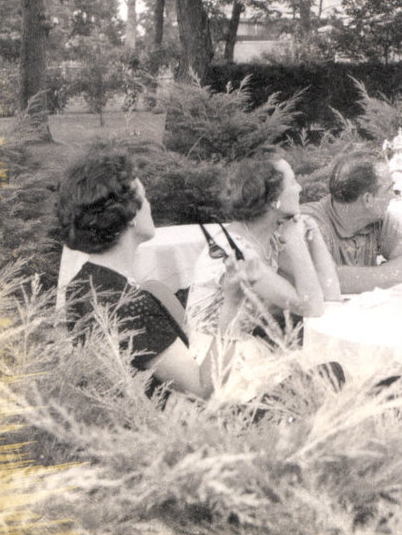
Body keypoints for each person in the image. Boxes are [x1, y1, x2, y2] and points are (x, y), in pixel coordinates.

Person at [58, 151, 245, 400]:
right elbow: (203, 388)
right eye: (144, 198)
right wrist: (232, 305)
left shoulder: (82, 282)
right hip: (166, 430)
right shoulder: (130, 305)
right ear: (129, 214)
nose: (150, 205)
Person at [188, 148, 340, 346]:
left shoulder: (271, 239)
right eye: (293, 182)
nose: (299, 189)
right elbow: (310, 307)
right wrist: (296, 240)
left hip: (243, 346)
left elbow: (330, 295)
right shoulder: (234, 251)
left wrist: (315, 236)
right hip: (214, 354)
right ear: (272, 200)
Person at [301, 149, 402, 293]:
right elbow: (326, 281)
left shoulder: (378, 218)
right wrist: (396, 274)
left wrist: (362, 279)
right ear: (368, 200)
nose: (393, 195)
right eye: (389, 189)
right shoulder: (310, 222)